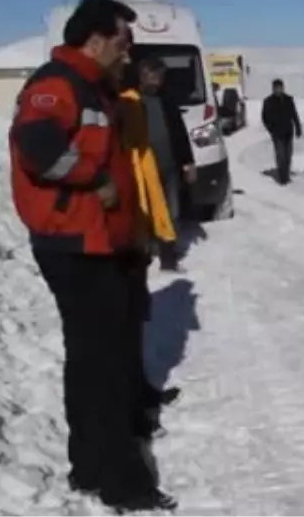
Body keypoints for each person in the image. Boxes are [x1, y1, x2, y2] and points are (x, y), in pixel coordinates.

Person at [8, 0, 178, 512]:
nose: (128, 55)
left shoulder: (96, 88)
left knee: (97, 358)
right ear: (97, 38)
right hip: (74, 245)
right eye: (123, 44)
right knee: (98, 365)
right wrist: (93, 178)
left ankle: (88, 464)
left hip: (104, 242)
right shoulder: (57, 84)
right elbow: (37, 150)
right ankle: (121, 481)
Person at [116, 58, 184, 442]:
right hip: (116, 231)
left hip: (137, 229)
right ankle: (129, 416)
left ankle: (141, 395)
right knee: (117, 327)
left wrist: (155, 228)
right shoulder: (121, 104)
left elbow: (146, 176)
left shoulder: (138, 105)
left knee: (133, 321)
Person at [134, 57, 196, 271]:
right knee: (144, 211)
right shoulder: (130, 100)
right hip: (141, 170)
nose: (157, 80)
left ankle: (168, 254)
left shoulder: (167, 101)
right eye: (153, 75)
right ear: (142, 75)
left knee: (172, 211)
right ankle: (147, 250)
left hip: (169, 166)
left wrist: (188, 163)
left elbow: (180, 133)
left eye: (160, 76)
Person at [261, 78, 302, 184]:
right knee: (281, 155)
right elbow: (264, 118)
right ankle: (282, 176)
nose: (279, 90)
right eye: (276, 88)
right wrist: (271, 129)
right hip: (277, 133)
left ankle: (286, 173)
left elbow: (294, 114)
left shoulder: (289, 99)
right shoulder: (268, 101)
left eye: (280, 88)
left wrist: (298, 127)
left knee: (288, 154)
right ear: (273, 89)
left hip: (288, 131)